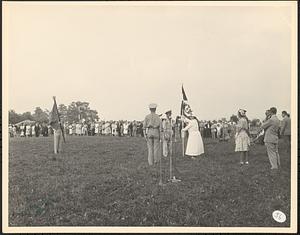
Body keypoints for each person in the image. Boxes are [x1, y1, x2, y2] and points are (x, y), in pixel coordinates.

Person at [259, 107, 281, 172]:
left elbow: (263, 126)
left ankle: (274, 166)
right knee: (276, 152)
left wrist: (266, 117)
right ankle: (278, 164)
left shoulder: (271, 119)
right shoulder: (277, 119)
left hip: (269, 138)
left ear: (271, 112)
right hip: (275, 137)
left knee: (271, 153)